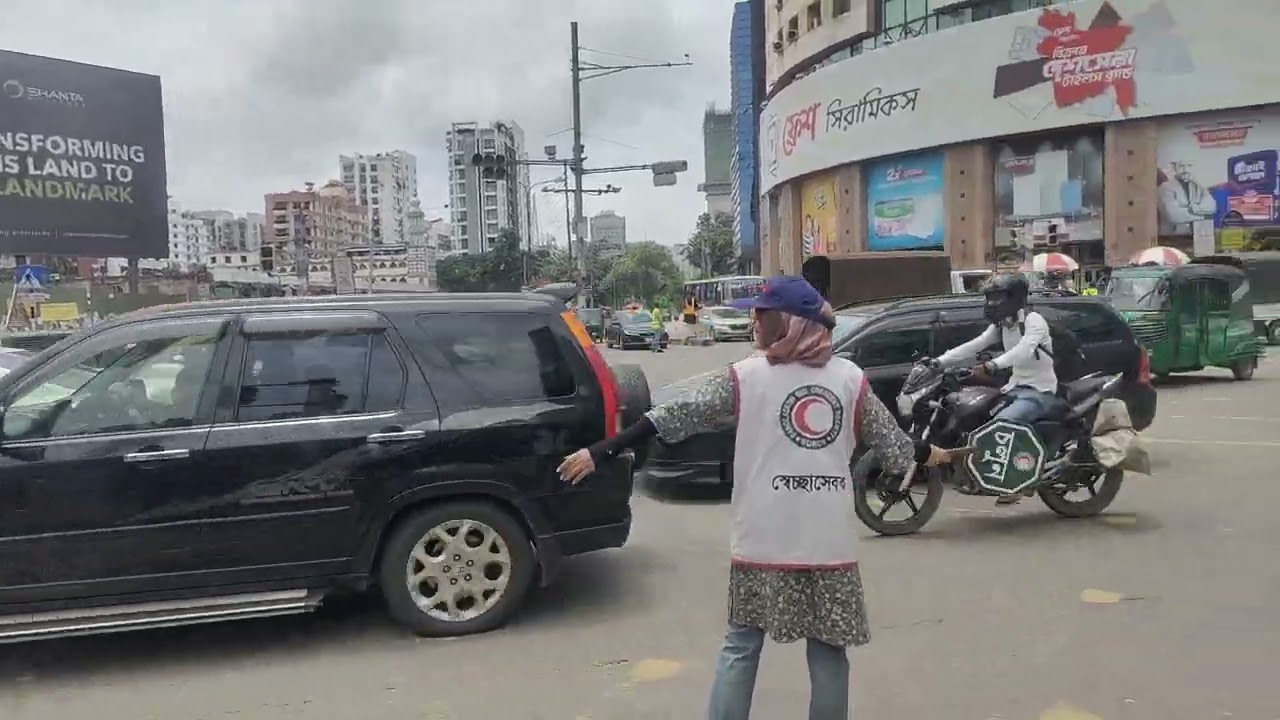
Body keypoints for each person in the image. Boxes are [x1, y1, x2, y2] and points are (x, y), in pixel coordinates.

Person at [558, 276, 954, 719]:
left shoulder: (745, 377)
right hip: (826, 544)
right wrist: (929, 453)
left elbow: (674, 415)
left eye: (762, 315)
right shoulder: (850, 380)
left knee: (742, 644)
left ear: (789, 323)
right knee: (828, 650)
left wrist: (601, 451)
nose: (754, 322)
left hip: (762, 540)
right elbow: (895, 449)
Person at [936, 272, 1057, 505]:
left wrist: (994, 364)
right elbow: (975, 345)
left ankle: (1019, 480)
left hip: (1039, 391)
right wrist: (939, 361)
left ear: (1015, 297)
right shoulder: (1001, 325)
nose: (991, 304)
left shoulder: (1033, 321)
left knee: (1004, 423)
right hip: (1014, 387)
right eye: (989, 298)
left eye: (997, 298)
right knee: (979, 417)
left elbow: (1023, 350)